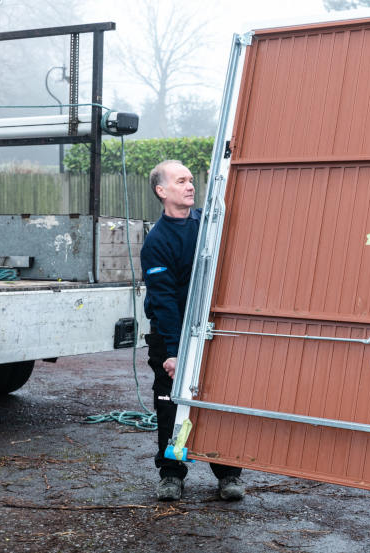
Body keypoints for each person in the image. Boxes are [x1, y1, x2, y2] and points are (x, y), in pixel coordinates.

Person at [141, 160, 245, 502]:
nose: (190, 186)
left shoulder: (206, 224)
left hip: (209, 330)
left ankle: (228, 474)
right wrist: (172, 352)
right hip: (172, 334)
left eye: (191, 180)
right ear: (162, 191)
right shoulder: (157, 241)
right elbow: (164, 300)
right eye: (181, 181)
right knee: (170, 405)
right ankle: (172, 474)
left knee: (217, 401)